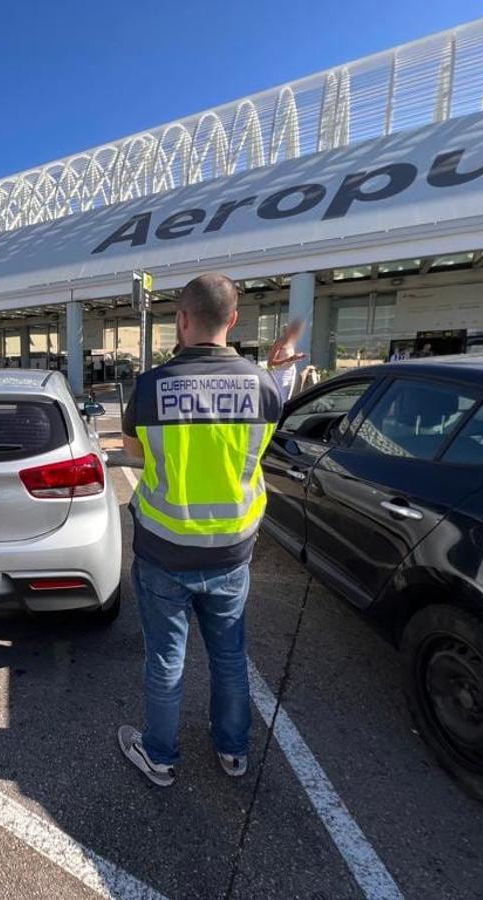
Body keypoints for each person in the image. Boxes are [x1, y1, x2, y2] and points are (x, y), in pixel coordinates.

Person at [118, 273, 283, 787]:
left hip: (165, 550)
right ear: (233, 320)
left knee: (167, 659)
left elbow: (133, 455)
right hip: (233, 551)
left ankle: (161, 757)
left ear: (181, 321)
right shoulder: (264, 386)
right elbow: (257, 457)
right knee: (230, 655)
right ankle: (232, 750)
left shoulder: (150, 388)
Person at [267, 318, 307, 401]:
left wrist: (297, 357)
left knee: (289, 398)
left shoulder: (292, 342)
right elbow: (270, 363)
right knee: (282, 398)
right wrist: (289, 359)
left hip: (291, 371)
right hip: (281, 374)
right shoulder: (279, 342)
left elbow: (290, 358)